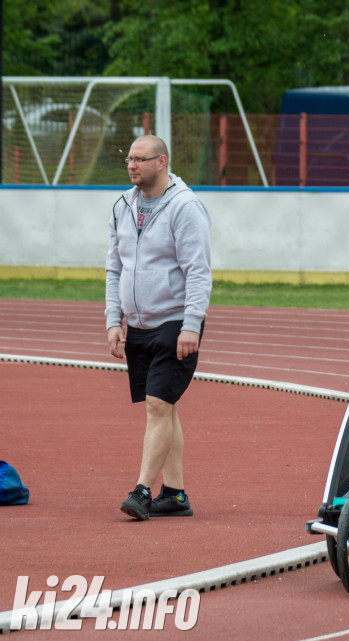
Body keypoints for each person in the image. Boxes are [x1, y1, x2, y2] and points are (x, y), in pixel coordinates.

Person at [105, 134, 212, 521]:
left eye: (139, 159)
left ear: (161, 161)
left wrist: (191, 325)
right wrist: (113, 320)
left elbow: (198, 271)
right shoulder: (123, 205)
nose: (131, 165)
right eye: (129, 159)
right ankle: (176, 494)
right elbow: (114, 266)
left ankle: (142, 491)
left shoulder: (185, 207)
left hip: (173, 322)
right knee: (165, 409)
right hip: (138, 325)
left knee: (157, 405)